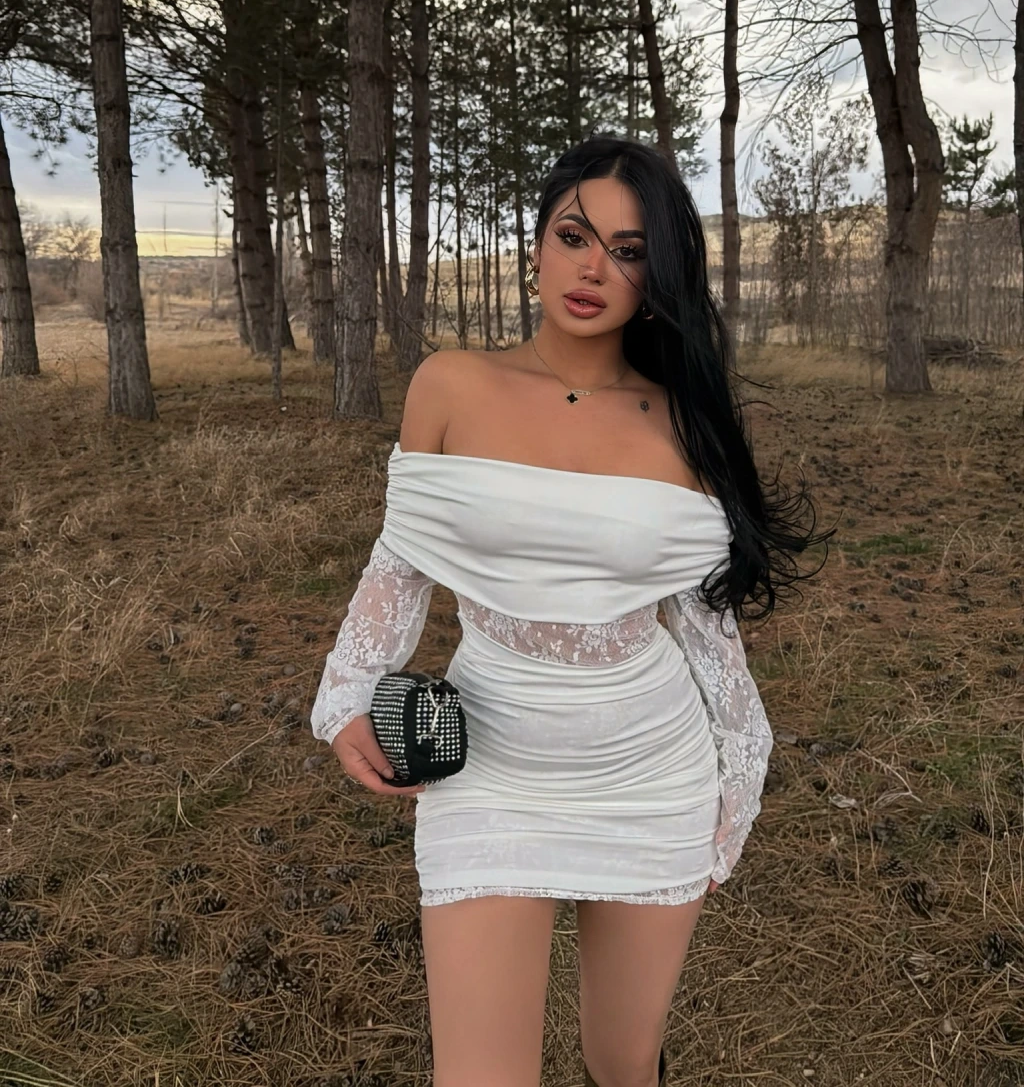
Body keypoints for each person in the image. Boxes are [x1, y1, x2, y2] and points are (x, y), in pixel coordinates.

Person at [310, 135, 831, 1087]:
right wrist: (347, 693)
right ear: (537, 247)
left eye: (629, 251)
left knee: (622, 1066)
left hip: (650, 773)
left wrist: (740, 769)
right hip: (490, 770)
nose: (594, 268)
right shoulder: (451, 384)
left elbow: (705, 625)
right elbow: (403, 560)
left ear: (658, 276)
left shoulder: (685, 422)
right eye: (574, 236)